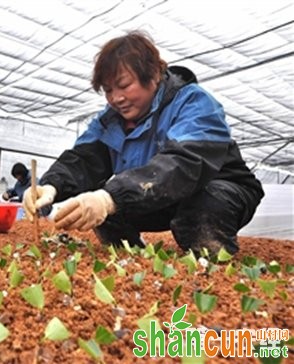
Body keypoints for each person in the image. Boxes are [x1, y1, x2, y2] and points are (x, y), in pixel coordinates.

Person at [23, 31, 264, 257]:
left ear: (154, 74)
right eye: (108, 90)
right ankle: (135, 263)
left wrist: (110, 198)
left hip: (219, 189)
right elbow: (83, 159)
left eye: (125, 85)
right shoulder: (110, 121)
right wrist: (51, 185)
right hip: (158, 196)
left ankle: (212, 270)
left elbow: (184, 163)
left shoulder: (194, 103)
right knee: (107, 211)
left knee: (200, 211)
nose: (116, 98)